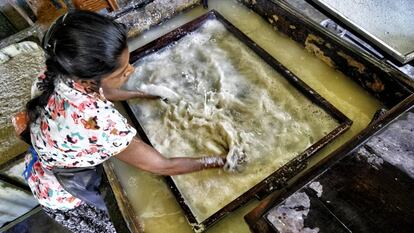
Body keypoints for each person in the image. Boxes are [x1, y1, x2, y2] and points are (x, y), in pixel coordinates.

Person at [18, 10, 227, 233]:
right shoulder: (99, 122)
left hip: (44, 163)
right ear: (90, 79)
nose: (132, 70)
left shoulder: (58, 71)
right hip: (64, 196)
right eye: (122, 72)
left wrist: (142, 94)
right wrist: (220, 161)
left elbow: (101, 91)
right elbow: (164, 166)